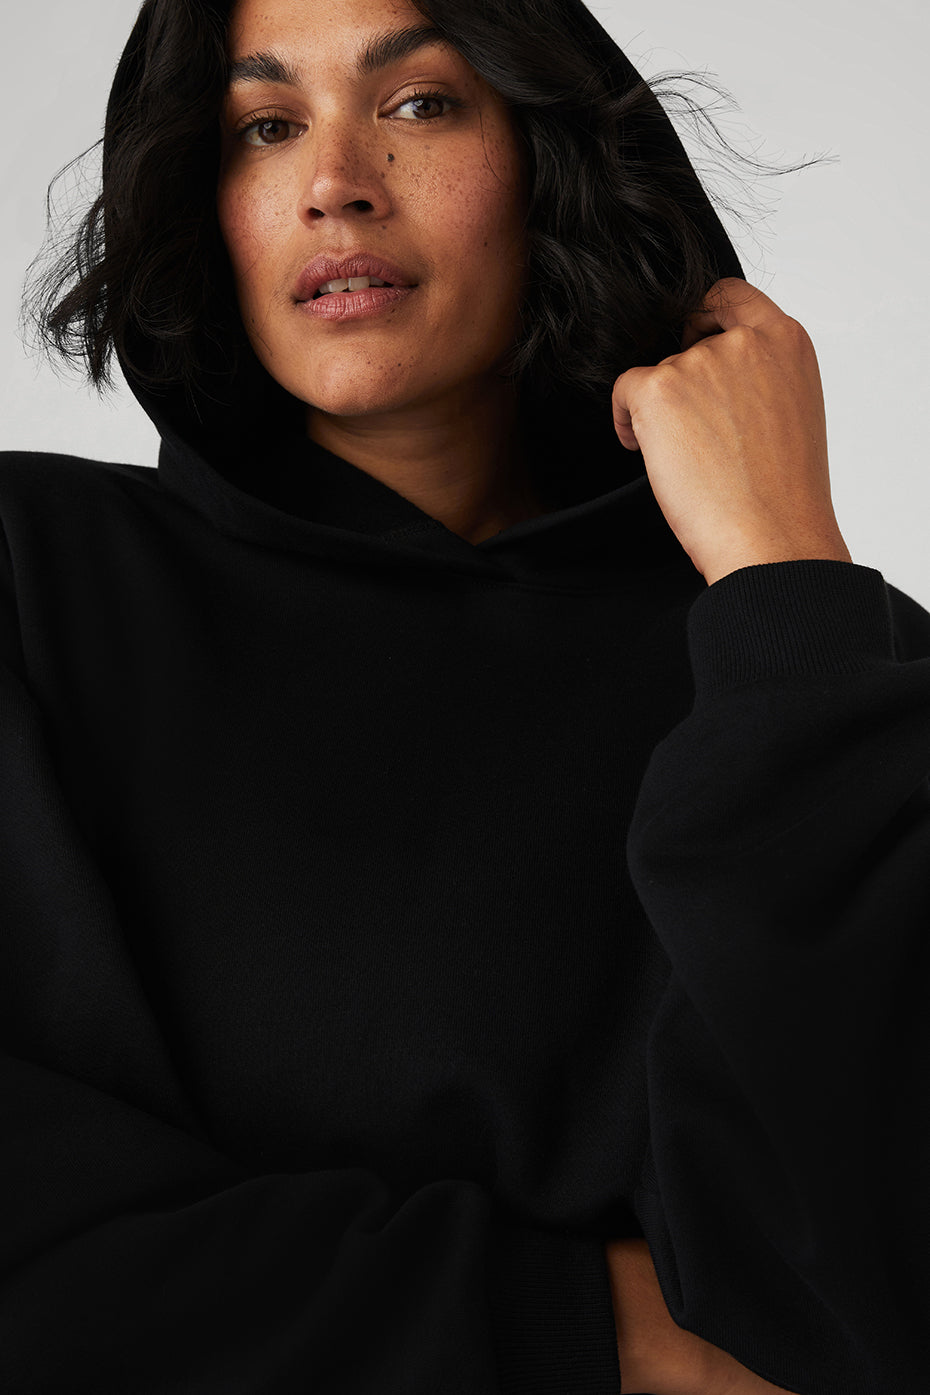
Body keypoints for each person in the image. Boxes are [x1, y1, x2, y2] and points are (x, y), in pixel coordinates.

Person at [2, 0, 928, 1390]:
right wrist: (593, 1329)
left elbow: (885, 1266)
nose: (335, 182)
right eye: (265, 126)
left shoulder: (811, 669)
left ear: (550, 159)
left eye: (419, 104)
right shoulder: (32, 576)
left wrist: (781, 570)